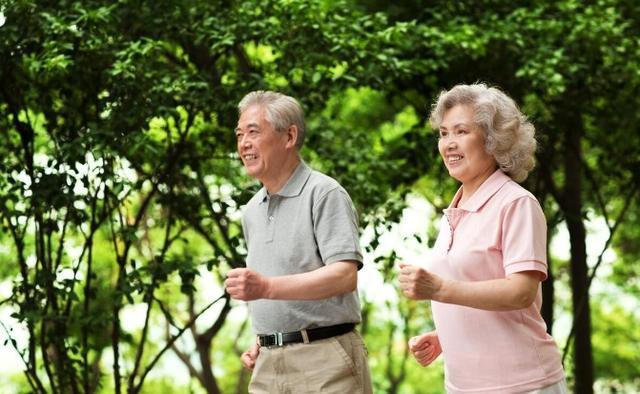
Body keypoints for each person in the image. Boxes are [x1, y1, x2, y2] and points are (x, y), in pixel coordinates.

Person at [398, 83, 567, 393]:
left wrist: (438, 288)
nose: (448, 143)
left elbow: (520, 293)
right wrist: (444, 337)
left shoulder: (516, 203)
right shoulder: (456, 208)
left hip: (522, 384)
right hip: (463, 385)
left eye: (461, 131)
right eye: (443, 133)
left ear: (493, 141)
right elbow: (477, 286)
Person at [224, 90, 372, 393]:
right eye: (240, 135)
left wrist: (265, 288)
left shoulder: (324, 193)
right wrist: (265, 337)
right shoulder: (251, 211)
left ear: (289, 136)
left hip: (326, 360)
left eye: (253, 132)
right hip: (267, 364)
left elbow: (345, 276)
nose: (244, 144)